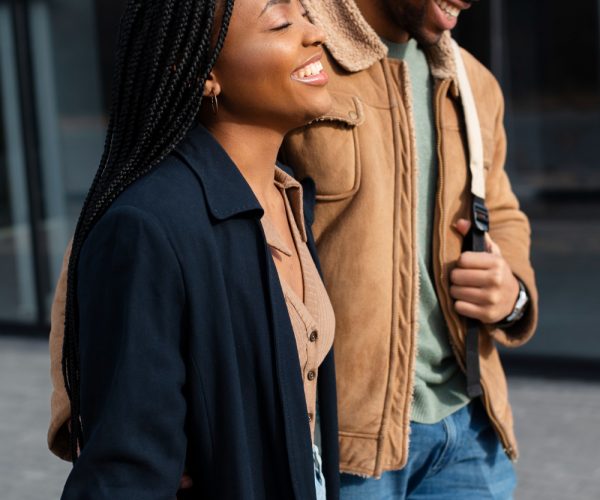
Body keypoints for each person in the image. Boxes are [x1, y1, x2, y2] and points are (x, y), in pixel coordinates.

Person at [52, 0, 340, 498]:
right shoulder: (149, 226)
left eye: (307, 14)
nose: (315, 34)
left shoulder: (282, 194)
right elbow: (126, 469)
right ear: (203, 74)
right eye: (281, 21)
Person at [278, 0, 538, 498]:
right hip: (341, 443)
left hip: (470, 432)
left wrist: (513, 297)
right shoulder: (290, 56)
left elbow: (502, 212)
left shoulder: (474, 83)